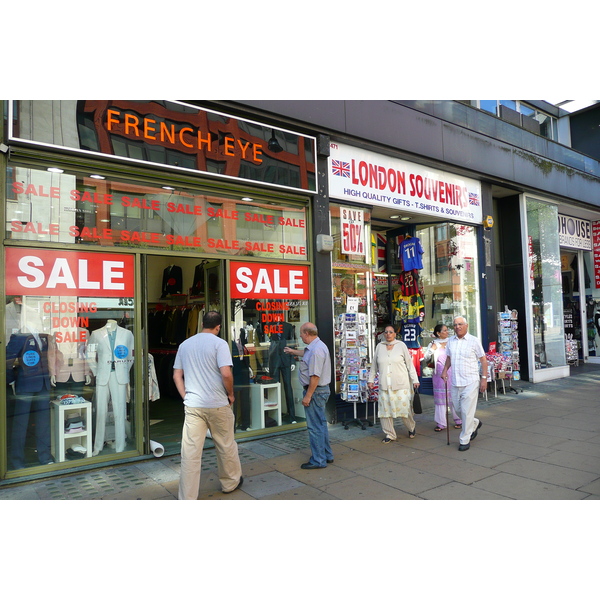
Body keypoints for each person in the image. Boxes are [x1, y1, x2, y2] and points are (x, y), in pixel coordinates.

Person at [173, 311, 243, 499]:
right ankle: (230, 483)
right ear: (218, 327)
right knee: (226, 445)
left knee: (190, 453)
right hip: (218, 403)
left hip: (193, 406)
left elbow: (176, 375)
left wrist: (185, 396)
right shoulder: (220, 344)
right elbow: (226, 374)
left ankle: (187, 496)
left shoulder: (185, 344)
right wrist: (230, 394)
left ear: (202, 323)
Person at [284, 322, 333, 469]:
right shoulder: (316, 347)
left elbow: (315, 377)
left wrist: (308, 396)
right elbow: (306, 354)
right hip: (319, 392)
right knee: (321, 424)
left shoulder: (317, 350)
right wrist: (293, 352)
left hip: (316, 392)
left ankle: (318, 460)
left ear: (307, 333)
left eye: (301, 333)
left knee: (314, 427)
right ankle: (326, 455)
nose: (299, 335)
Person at [441, 316, 488, 451]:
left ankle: (464, 439)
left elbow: (483, 360)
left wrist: (484, 378)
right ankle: (474, 423)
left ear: (466, 325)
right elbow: (449, 357)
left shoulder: (474, 341)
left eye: (460, 324)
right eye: (455, 325)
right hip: (455, 381)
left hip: (471, 381)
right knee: (458, 409)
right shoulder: (450, 341)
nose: (458, 327)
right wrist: (445, 371)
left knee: (466, 411)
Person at [368, 324, 419, 443]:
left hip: (400, 383)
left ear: (395, 334)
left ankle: (411, 427)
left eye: (391, 332)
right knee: (385, 411)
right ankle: (390, 434)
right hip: (385, 384)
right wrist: (371, 379)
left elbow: (409, 364)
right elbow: (374, 366)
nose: (388, 334)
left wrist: (415, 379)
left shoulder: (401, 346)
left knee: (404, 409)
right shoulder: (379, 346)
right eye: (386, 332)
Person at [422, 324, 462, 432]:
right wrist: (432, 350)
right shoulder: (433, 343)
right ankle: (441, 422)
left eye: (447, 330)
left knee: (454, 397)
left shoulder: (453, 341)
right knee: (440, 399)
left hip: (453, 373)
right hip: (439, 375)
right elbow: (425, 358)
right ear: (438, 333)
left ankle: (459, 420)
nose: (447, 332)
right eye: (444, 330)